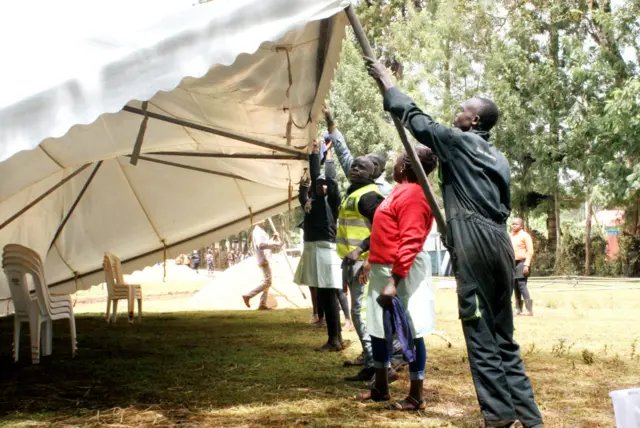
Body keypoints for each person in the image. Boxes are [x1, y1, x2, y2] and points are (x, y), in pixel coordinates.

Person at [367, 60, 543, 427]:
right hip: (499, 243)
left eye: (463, 110)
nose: (457, 113)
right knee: (503, 337)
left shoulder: (459, 143)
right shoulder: (500, 158)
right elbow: (502, 204)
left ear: (474, 121)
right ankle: (529, 416)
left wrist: (387, 82)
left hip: (477, 242)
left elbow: (416, 120)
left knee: (479, 331)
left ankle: (497, 416)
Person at [354, 146, 437, 410]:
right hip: (383, 267)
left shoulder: (414, 194)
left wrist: (394, 281)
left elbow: (411, 240)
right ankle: (380, 386)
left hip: (400, 271)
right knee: (378, 329)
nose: (394, 163)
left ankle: (416, 395)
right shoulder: (399, 192)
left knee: (409, 329)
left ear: (404, 165)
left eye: (398, 158)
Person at [336, 154, 389, 381]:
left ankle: (376, 365)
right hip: (352, 262)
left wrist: (367, 257)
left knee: (362, 314)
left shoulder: (369, 196)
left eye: (361, 167)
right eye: (353, 165)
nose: (355, 168)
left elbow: (382, 228)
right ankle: (373, 362)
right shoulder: (353, 193)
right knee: (358, 313)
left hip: (365, 263)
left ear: (371, 173)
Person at [297, 140, 346, 350]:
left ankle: (335, 339)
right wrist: (314, 155)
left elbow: (330, 180)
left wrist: (328, 158)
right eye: (318, 185)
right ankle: (335, 338)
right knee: (326, 296)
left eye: (323, 185)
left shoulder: (331, 201)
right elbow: (305, 194)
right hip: (315, 250)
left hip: (326, 250)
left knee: (329, 295)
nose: (322, 186)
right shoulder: (312, 202)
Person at [322, 105, 393, 196]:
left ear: (382, 171)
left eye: (374, 164)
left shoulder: (387, 191)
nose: (369, 164)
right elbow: (342, 151)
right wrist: (329, 121)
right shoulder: (357, 173)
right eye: (367, 160)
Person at [242, 220, 282, 310]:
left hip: (265, 258)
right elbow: (261, 245)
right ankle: (248, 296)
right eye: (262, 219)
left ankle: (262, 304)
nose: (264, 221)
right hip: (263, 259)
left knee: (266, 282)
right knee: (268, 282)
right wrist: (275, 243)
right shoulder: (257, 232)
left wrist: (274, 239)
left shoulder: (261, 231)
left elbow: (267, 243)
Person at [510, 218, 534, 316]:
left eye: (516, 224)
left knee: (521, 285)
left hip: (522, 262)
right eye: (512, 224)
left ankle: (529, 310)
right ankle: (518, 309)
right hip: (512, 263)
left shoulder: (525, 236)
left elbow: (530, 251)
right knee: (515, 285)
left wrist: (526, 265)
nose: (513, 226)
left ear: (521, 226)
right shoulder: (510, 235)